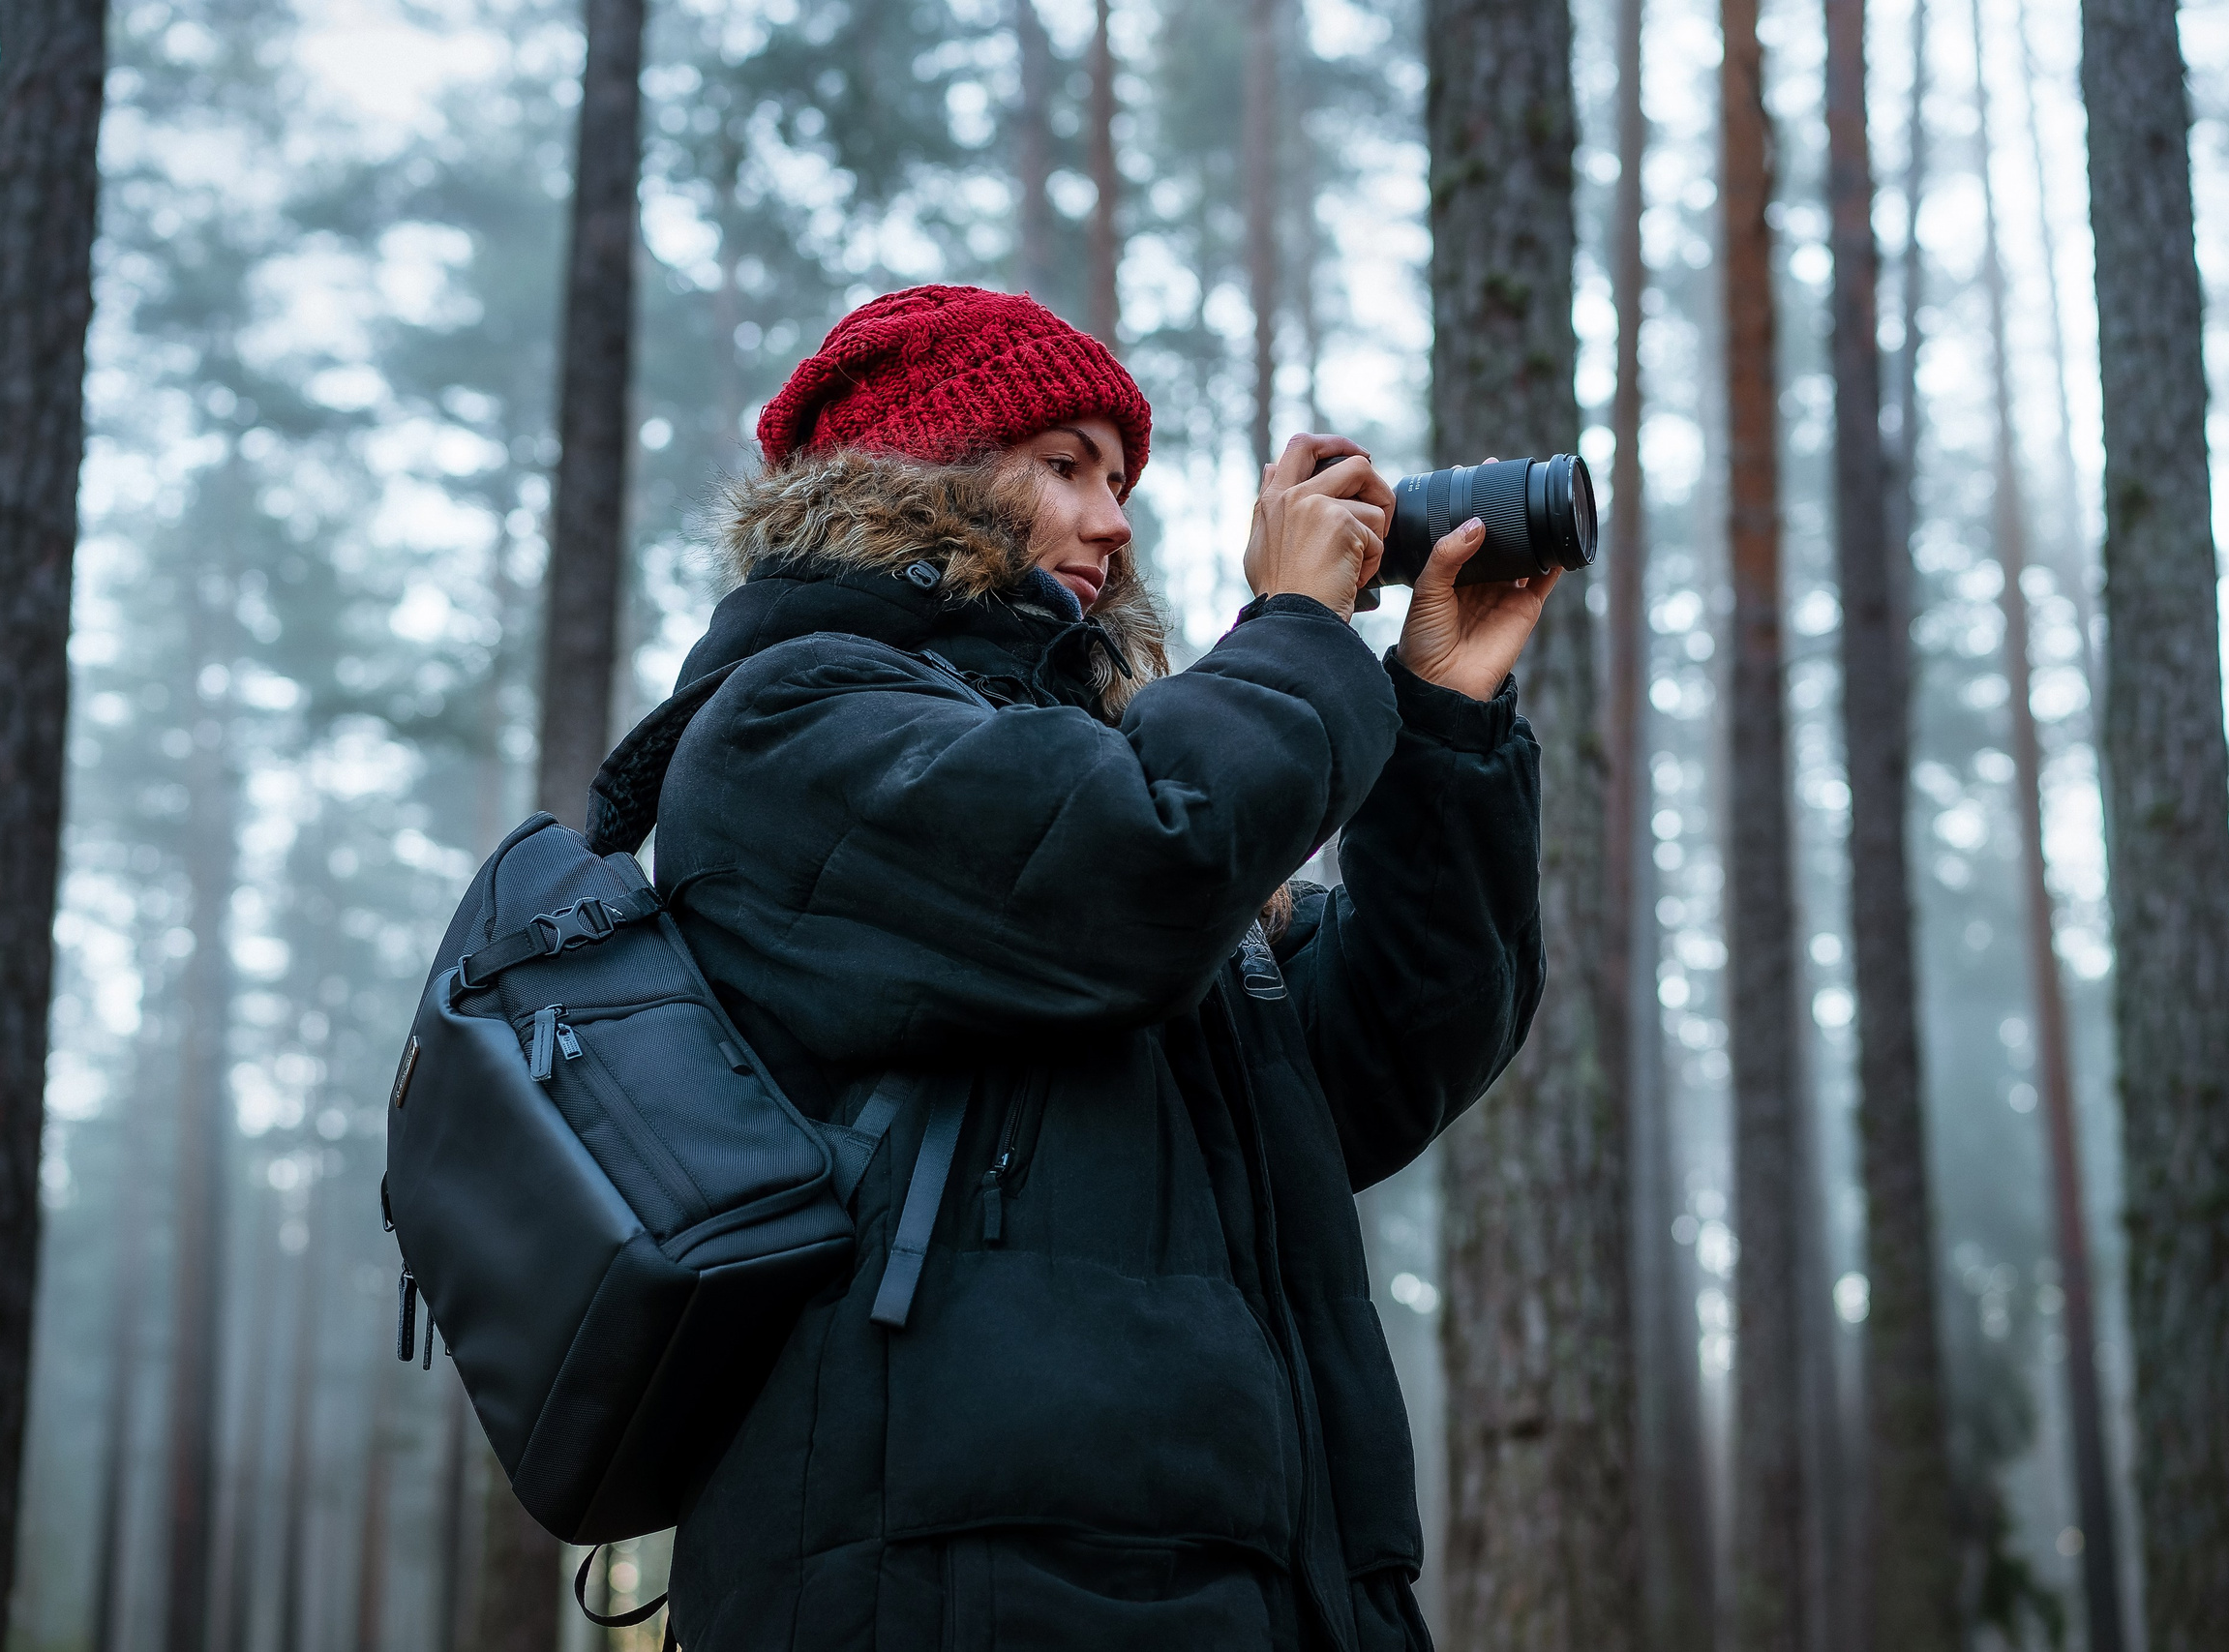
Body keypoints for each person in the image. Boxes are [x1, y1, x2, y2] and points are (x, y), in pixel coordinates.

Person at [652, 284, 1553, 1651]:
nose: (1113, 518)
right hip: (958, 1596)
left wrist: (1441, 716)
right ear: (916, 475)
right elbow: (1139, 875)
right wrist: (1297, 629)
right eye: (1063, 466)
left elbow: (1388, 1057)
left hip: (1252, 1586)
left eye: (1120, 477)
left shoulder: (1106, 768)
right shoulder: (788, 723)